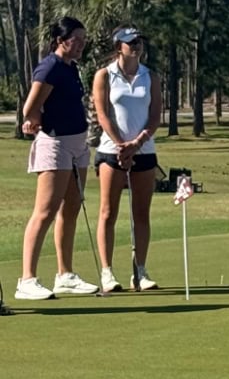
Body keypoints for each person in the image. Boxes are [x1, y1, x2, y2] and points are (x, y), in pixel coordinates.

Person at [15, 16, 100, 300]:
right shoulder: (50, 66)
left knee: (72, 208)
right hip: (55, 144)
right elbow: (30, 107)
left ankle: (65, 275)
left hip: (77, 144)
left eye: (83, 40)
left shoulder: (71, 67)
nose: (81, 45)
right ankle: (27, 279)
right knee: (46, 211)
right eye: (76, 40)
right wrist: (34, 121)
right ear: (61, 40)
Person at [93, 26, 162, 292]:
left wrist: (136, 143)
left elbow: (155, 116)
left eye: (139, 42)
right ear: (118, 47)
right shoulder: (104, 76)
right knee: (108, 212)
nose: (136, 46)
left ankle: (139, 271)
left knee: (141, 214)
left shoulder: (150, 77)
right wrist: (122, 145)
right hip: (112, 151)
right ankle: (107, 272)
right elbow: (103, 115)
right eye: (130, 42)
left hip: (144, 151)